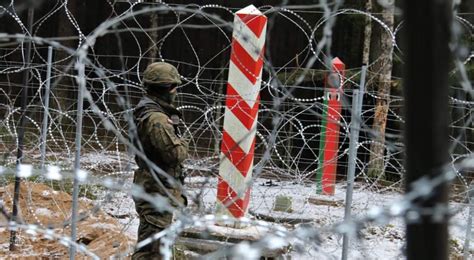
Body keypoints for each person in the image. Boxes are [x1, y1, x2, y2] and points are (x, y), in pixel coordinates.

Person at [132, 62, 188, 259]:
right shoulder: (157, 119)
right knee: (151, 252)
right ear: (169, 89)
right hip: (156, 190)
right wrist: (183, 141)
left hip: (156, 187)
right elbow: (176, 154)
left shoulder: (153, 112)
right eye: (175, 87)